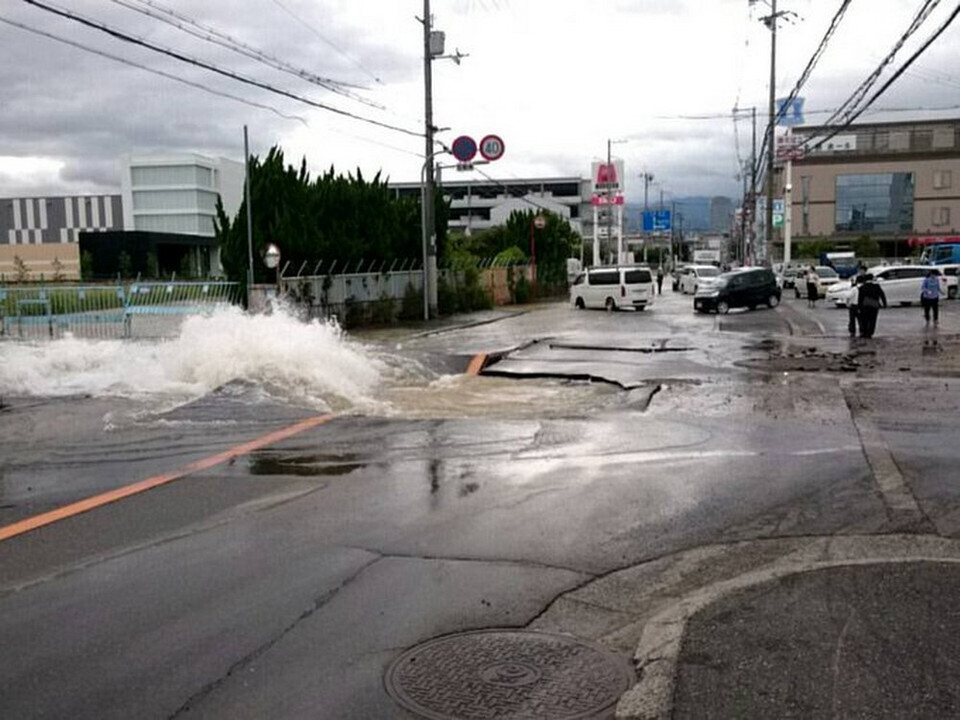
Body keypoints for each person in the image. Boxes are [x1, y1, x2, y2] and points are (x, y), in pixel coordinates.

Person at [856, 273, 887, 338]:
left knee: (865, 319)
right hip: (874, 305)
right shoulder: (877, 286)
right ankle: (870, 332)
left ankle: (864, 332)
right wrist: (884, 304)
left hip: (865, 305)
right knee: (873, 320)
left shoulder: (862, 287)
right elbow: (882, 295)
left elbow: (860, 298)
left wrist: (859, 307)